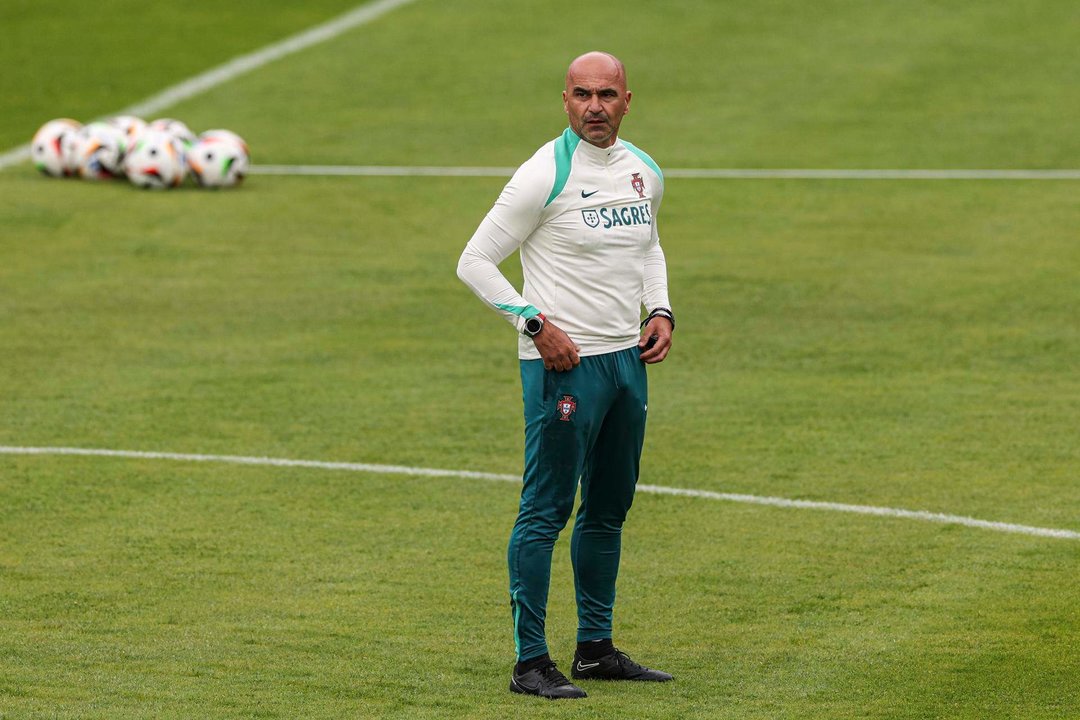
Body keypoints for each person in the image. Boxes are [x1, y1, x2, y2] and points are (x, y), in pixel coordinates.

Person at [457, 51, 675, 700]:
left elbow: (649, 244)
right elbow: (475, 261)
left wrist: (659, 306)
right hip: (564, 365)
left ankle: (596, 650)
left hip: (626, 364)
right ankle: (530, 662)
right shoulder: (541, 175)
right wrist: (532, 323)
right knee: (545, 511)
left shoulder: (644, 172)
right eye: (582, 94)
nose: (595, 107)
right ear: (565, 100)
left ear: (627, 101)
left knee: (608, 509)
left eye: (607, 94)